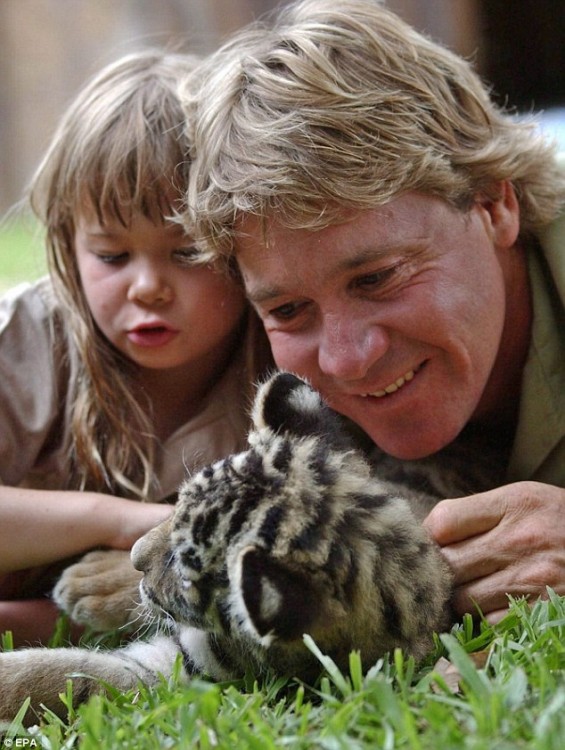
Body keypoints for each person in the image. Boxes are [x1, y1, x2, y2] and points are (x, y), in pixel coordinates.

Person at [182, 0, 565, 624]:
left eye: (378, 277)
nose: (345, 358)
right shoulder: (230, 354)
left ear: (494, 204)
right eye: (288, 309)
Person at [0, 50, 271, 645]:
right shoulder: (21, 344)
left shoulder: (277, 375)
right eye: (112, 256)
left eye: (187, 252)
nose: (147, 287)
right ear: (68, 244)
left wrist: (36, 625)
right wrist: (122, 521)